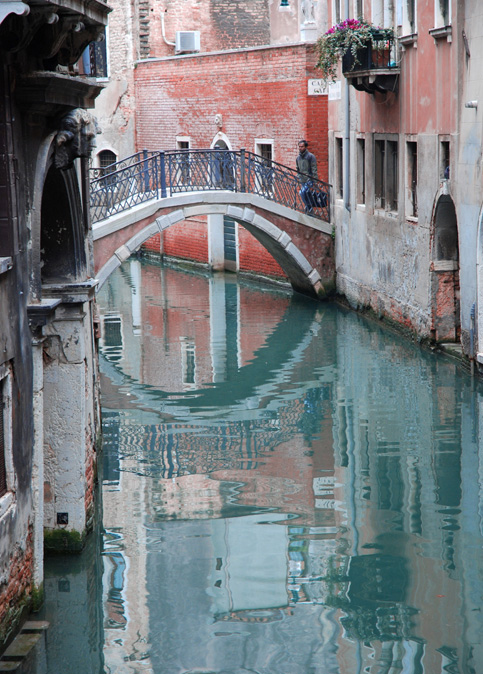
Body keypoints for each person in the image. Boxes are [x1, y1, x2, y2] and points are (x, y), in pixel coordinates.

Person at [296, 139, 318, 213]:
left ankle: (308, 207)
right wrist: (298, 176)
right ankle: (309, 208)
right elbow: (297, 168)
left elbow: (314, 169)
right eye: (299, 147)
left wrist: (314, 181)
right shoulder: (298, 158)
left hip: (309, 180)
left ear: (305, 147)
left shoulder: (311, 156)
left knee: (302, 192)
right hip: (302, 180)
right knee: (306, 194)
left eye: (302, 146)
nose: (300, 148)